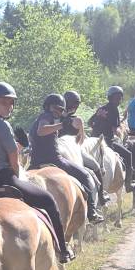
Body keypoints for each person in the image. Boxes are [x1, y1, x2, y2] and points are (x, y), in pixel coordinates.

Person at [0, 81, 76, 263]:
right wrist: (15, 173)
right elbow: (13, 157)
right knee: (49, 201)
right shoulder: (3, 125)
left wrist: (18, 145)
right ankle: (62, 249)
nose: (9, 106)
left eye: (11, 102)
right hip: (3, 178)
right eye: (4, 102)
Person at [29, 93, 104, 223]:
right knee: (86, 176)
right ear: (48, 106)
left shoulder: (37, 121)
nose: (58, 111)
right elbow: (42, 130)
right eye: (55, 108)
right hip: (54, 160)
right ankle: (92, 213)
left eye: (61, 110)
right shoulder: (46, 116)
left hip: (35, 163)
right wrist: (62, 125)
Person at [88, 85, 135, 192]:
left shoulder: (101, 109)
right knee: (128, 155)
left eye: (119, 98)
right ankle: (128, 184)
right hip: (106, 142)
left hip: (92, 141)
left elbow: (89, 123)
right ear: (112, 98)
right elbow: (115, 129)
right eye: (117, 98)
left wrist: (99, 119)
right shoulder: (114, 110)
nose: (119, 100)